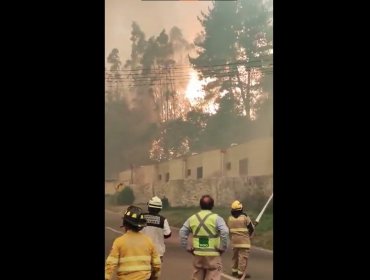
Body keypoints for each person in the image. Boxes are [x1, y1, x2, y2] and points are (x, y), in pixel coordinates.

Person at [179, 194, 229, 280]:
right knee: (215, 272)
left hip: (198, 253)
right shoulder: (217, 218)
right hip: (213, 254)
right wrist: (223, 247)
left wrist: (186, 247)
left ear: (200, 205)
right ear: (212, 206)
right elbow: (225, 231)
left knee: (197, 275)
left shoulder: (192, 218)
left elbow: (182, 231)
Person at [105, 205, 162, 280]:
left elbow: (110, 264)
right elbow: (157, 265)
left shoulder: (119, 242)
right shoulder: (148, 241)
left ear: (125, 223)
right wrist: (155, 277)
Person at [227, 200, 255, 279]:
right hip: (244, 242)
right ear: (241, 208)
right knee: (243, 257)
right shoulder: (245, 217)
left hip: (234, 241)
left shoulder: (230, 218)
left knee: (235, 257)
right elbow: (251, 228)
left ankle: (234, 271)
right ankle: (241, 273)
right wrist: (249, 235)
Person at [141, 196, 172, 262]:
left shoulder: (142, 217)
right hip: (157, 253)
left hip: (143, 252)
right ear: (160, 208)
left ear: (149, 207)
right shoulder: (163, 220)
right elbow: (168, 234)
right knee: (156, 271)